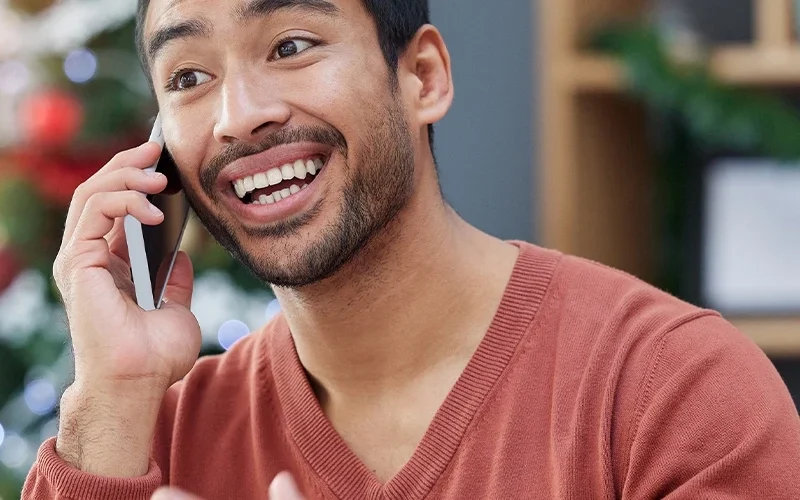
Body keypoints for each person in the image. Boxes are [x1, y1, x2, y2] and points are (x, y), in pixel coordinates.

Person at [21, 0, 800, 498]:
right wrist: (113, 395)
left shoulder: (672, 391)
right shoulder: (146, 436)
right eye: (188, 75)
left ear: (421, 76)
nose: (238, 117)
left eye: (291, 45)